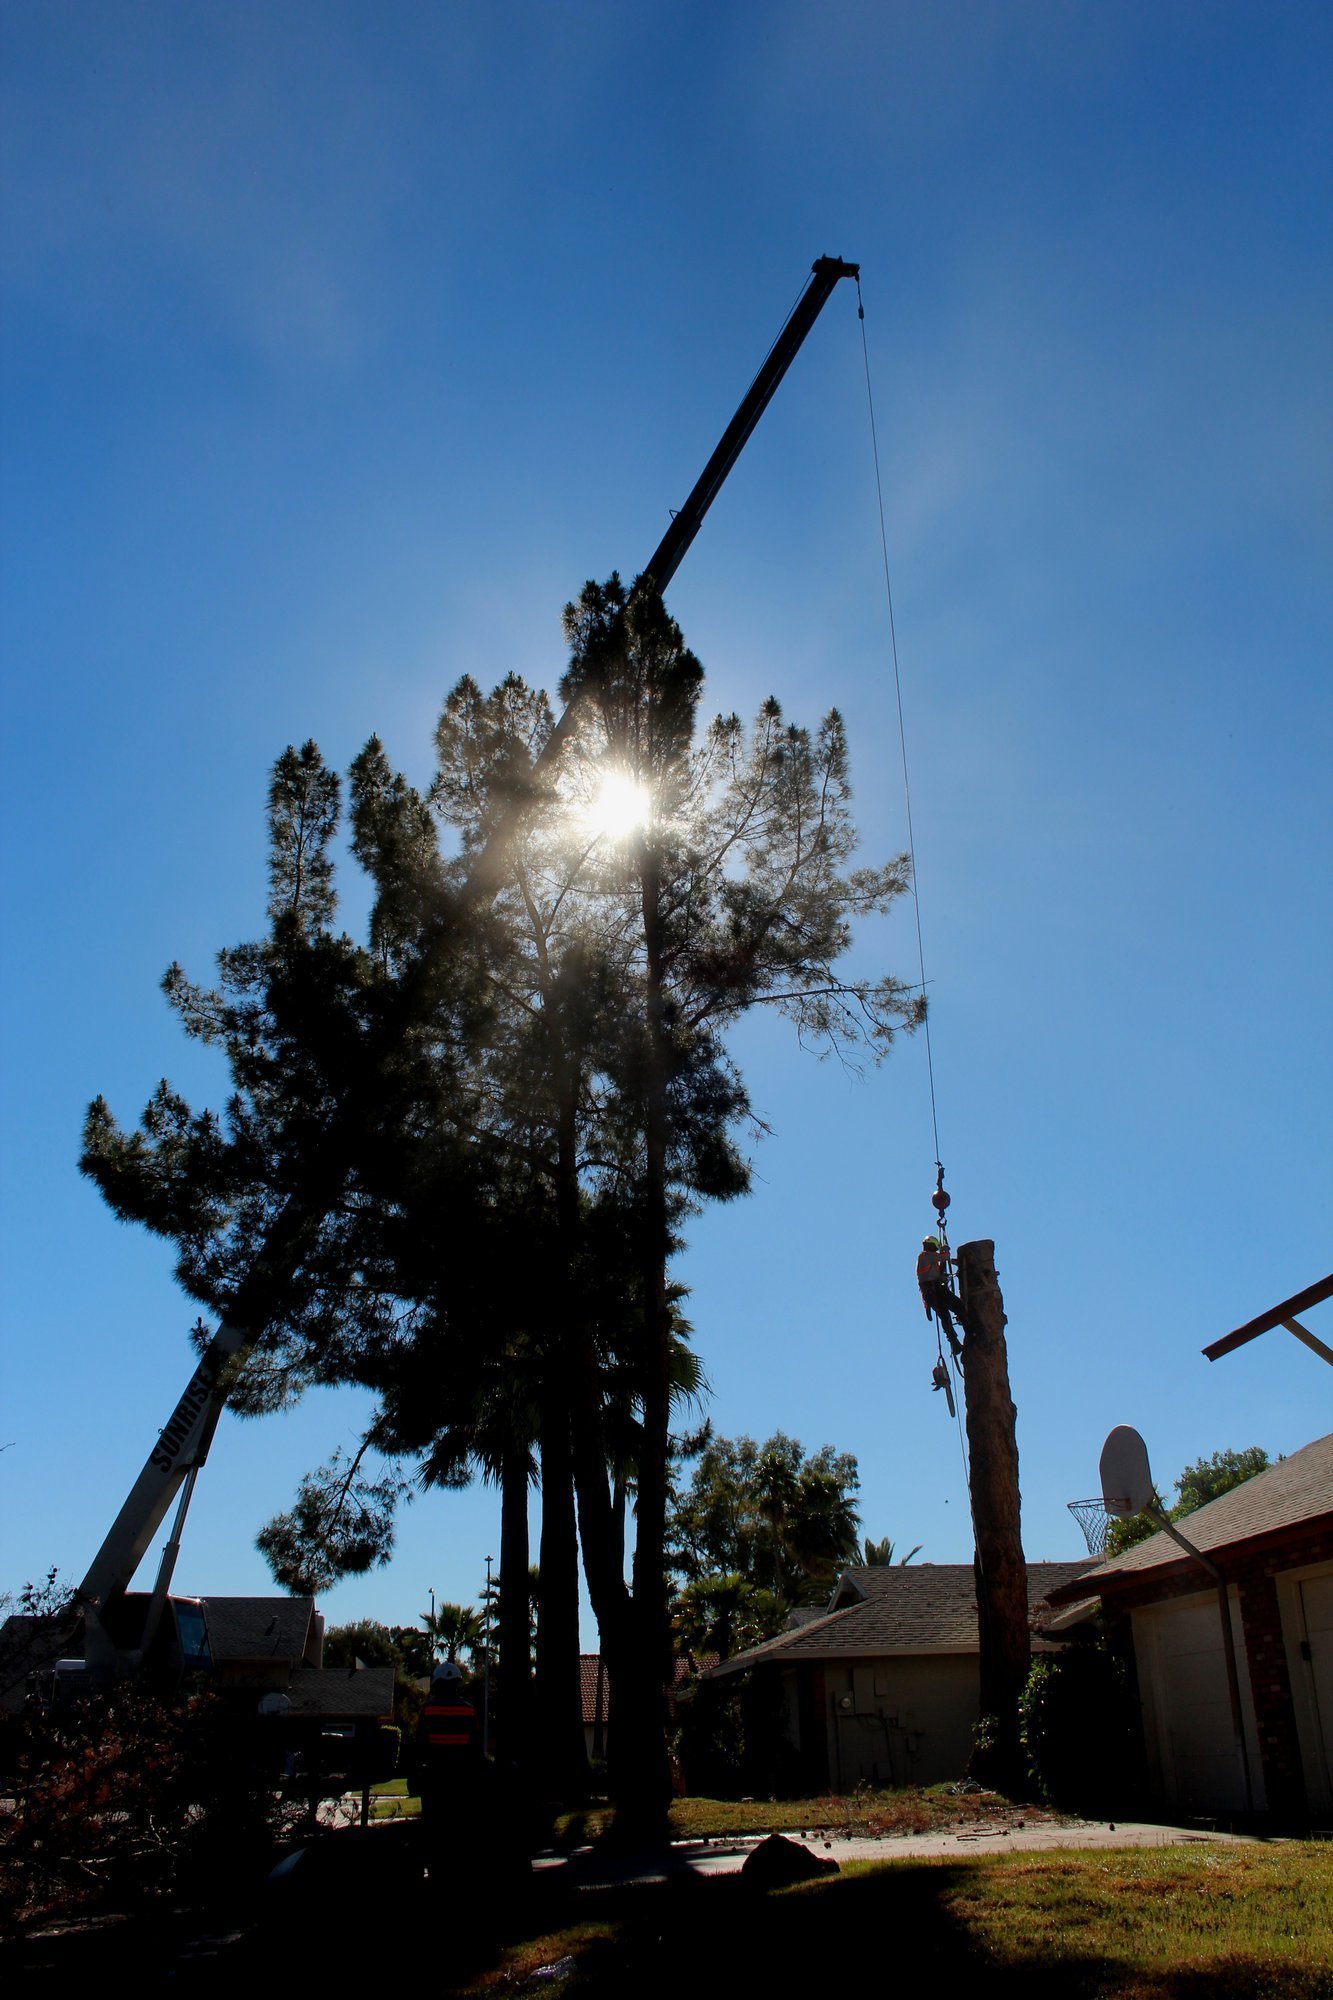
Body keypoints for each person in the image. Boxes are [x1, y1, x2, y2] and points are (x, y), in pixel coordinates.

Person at [917, 1235, 962, 1356]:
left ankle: (956, 1341)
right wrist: (945, 1251)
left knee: (947, 1314)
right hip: (934, 1291)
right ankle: (955, 1342)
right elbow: (944, 1257)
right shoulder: (925, 1256)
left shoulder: (929, 1260)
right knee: (951, 1310)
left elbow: (941, 1269)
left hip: (933, 1291)